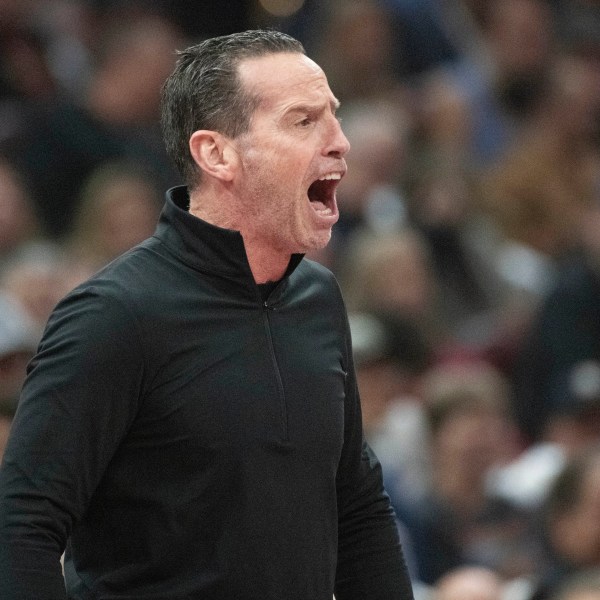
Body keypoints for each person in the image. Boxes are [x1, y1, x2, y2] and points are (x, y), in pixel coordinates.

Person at [0, 29, 415, 600]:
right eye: (303, 121)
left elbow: (358, 505)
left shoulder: (318, 299)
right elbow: (22, 526)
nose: (341, 142)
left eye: (333, 116)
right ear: (216, 153)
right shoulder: (115, 315)